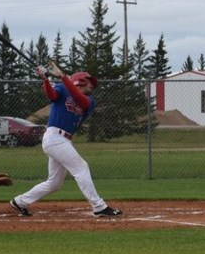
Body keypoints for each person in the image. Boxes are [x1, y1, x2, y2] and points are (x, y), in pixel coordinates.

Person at [9, 61, 122, 217]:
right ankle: (99, 206)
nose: (92, 86)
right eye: (89, 82)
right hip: (54, 137)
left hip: (64, 140)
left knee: (54, 183)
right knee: (81, 167)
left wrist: (62, 77)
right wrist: (45, 80)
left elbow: (78, 98)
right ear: (80, 81)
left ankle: (20, 201)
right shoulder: (62, 88)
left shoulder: (90, 102)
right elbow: (52, 96)